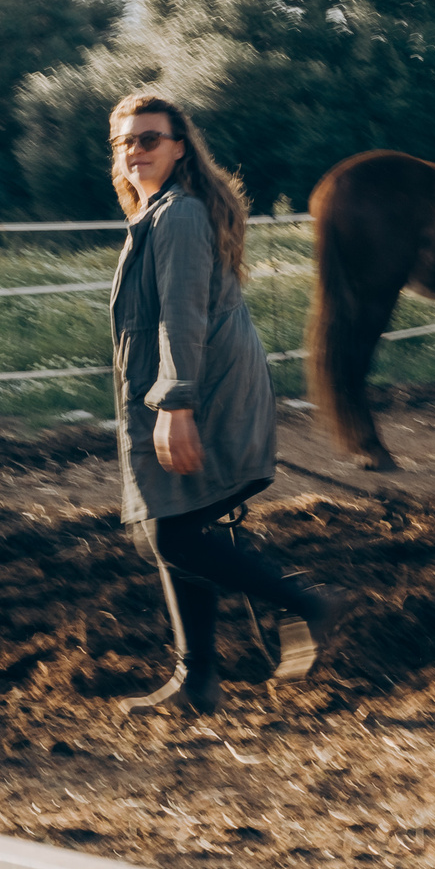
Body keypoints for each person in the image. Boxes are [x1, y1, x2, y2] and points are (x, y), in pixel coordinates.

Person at [107, 91, 340, 714]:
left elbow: (181, 314)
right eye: (125, 141)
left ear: (179, 146)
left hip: (201, 389)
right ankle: (198, 681)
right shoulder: (160, 213)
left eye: (149, 138)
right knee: (174, 526)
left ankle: (305, 603)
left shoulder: (178, 214)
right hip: (192, 384)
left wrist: (175, 404)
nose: (135, 151)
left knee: (171, 534)